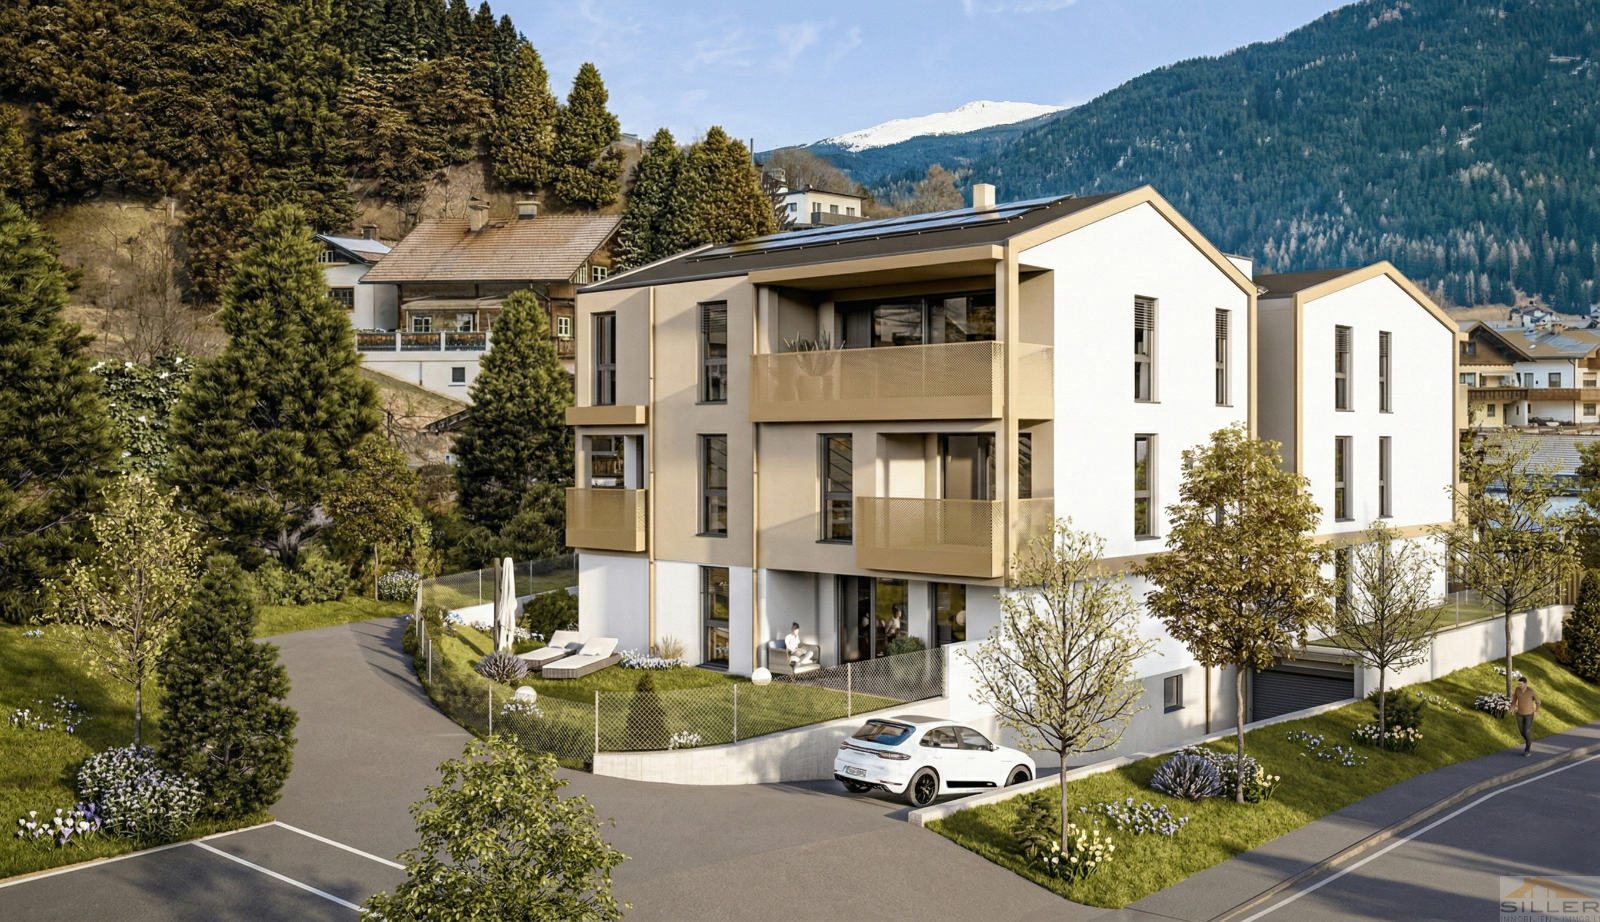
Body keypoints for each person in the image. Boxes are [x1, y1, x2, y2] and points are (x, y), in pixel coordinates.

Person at [1511, 675, 1541, 756]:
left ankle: (1527, 749)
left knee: (1527, 731)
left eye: (1521, 684)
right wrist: (1512, 708)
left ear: (1525, 684)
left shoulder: (1531, 691)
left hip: (1529, 715)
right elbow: (1514, 700)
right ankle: (1529, 741)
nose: (1519, 686)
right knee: (1521, 731)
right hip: (1520, 714)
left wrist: (1536, 711)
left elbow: (1538, 702)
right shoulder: (1517, 690)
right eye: (1518, 684)